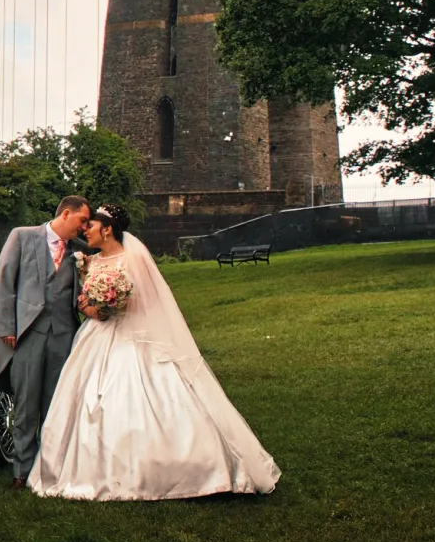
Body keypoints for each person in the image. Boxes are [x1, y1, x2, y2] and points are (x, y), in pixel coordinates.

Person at [28, 204, 282, 500]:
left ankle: (183, 467)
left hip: (133, 336)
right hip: (96, 337)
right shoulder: (88, 261)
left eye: (92, 225)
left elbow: (150, 301)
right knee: (88, 399)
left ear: (107, 229)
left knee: (150, 397)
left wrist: (112, 304)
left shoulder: (134, 258)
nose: (86, 231)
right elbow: (83, 299)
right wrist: (90, 307)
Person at [0, 195, 94, 489]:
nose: (85, 227)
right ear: (66, 214)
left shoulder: (81, 251)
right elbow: (4, 282)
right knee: (25, 405)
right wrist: (6, 326)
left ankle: (49, 471)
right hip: (26, 335)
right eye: (82, 220)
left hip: (64, 335)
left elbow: (84, 292)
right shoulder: (22, 237)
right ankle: (21, 472)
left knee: (55, 404)